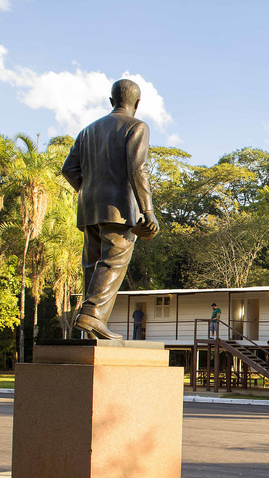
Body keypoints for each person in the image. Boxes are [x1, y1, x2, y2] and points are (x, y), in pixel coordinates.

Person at [62, 79, 159, 340]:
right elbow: (138, 168)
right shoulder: (136, 126)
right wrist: (147, 211)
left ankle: (90, 328)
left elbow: (68, 170)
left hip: (89, 209)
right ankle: (92, 315)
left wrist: (90, 190)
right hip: (119, 210)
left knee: (92, 267)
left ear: (111, 101)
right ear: (137, 105)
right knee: (113, 262)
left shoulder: (86, 131)